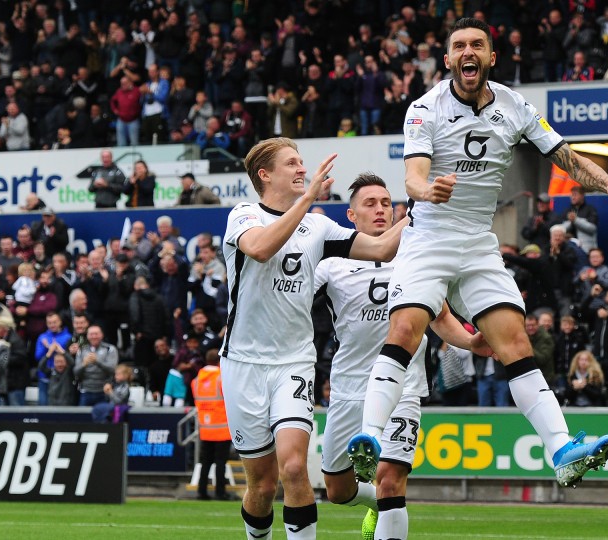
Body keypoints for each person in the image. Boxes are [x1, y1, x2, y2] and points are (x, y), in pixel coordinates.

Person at [221, 138, 406, 540]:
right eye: (292, 163)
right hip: (242, 365)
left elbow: (382, 248)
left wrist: (421, 209)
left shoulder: (319, 227)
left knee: (292, 468)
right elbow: (260, 249)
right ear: (265, 175)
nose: (302, 169)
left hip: (294, 364)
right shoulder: (244, 216)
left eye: (302, 162)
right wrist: (306, 200)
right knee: (262, 485)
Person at [313, 174, 487, 538]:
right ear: (351, 215)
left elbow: (439, 317)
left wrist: (470, 343)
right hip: (349, 389)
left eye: (385, 203)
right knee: (337, 490)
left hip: (403, 388)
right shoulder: (330, 264)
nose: (380, 210)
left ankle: (387, 503)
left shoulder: (416, 257)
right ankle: (376, 506)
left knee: (390, 480)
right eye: (370, 204)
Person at [192, 349, 232, 500]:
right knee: (221, 462)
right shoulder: (222, 378)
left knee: (205, 462)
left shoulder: (196, 381)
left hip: (205, 428)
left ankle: (201, 491)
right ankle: (220, 492)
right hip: (222, 428)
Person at [74, 325, 118, 406]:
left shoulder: (110, 349)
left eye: (96, 334)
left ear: (102, 335)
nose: (94, 336)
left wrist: (97, 361)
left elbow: (113, 369)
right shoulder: (82, 350)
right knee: (82, 417)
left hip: (104, 391)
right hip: (85, 391)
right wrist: (84, 364)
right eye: (91, 334)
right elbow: (75, 372)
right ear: (87, 336)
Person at [563, 186, 598, 252]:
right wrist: (570, 222)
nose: (573, 197)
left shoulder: (590, 209)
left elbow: (592, 229)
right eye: (571, 195)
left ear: (582, 196)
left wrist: (575, 220)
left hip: (586, 250)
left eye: (575, 195)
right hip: (570, 249)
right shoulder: (568, 210)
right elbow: (561, 229)